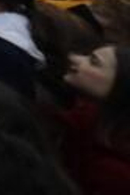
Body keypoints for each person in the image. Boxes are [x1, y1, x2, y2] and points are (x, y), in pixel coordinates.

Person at [53, 45, 130, 192]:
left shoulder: (116, 176)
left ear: (122, 84)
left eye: (93, 62)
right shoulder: (84, 118)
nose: (74, 58)